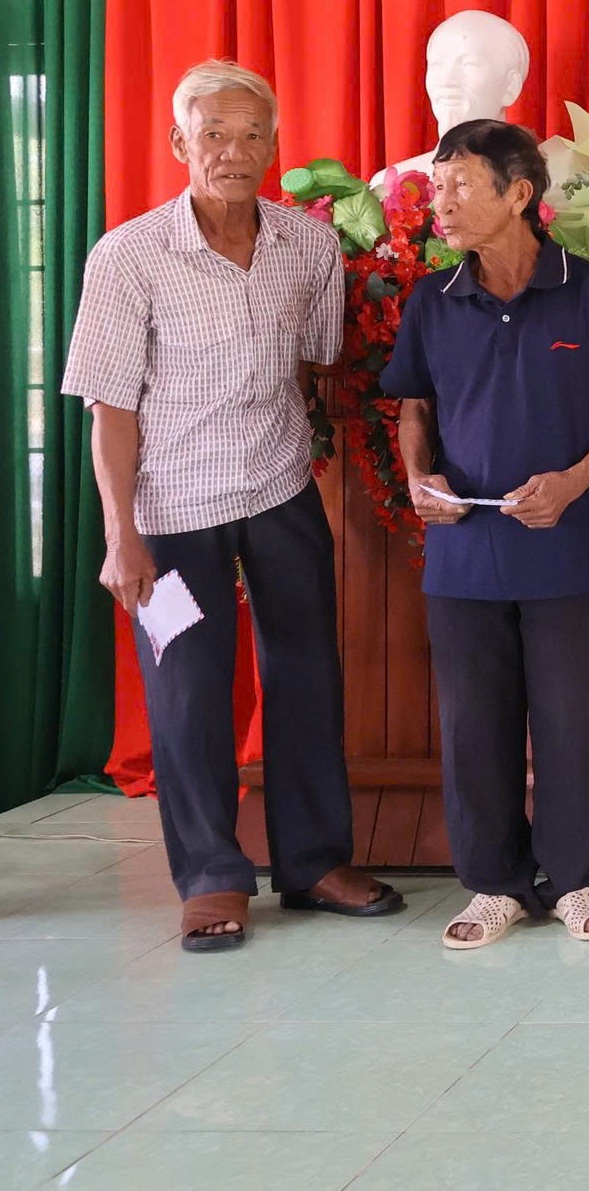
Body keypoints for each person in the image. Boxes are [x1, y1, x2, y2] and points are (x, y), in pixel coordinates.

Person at [61, 60, 406, 952]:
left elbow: (314, 365)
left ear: (275, 145)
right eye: (213, 133)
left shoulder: (308, 249)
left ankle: (315, 862)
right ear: (179, 141)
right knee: (186, 691)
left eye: (253, 134)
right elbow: (110, 410)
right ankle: (212, 876)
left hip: (281, 493)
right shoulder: (128, 256)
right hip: (170, 515)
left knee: (307, 675)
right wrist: (121, 537)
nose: (234, 151)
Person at [382, 119, 589, 948]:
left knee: (574, 722)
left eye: (460, 185)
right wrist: (419, 477)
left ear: (519, 194)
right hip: (464, 554)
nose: (441, 202)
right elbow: (414, 408)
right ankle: (493, 883)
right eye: (437, 186)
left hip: (572, 547)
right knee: (474, 727)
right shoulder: (432, 300)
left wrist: (572, 482)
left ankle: (573, 878)